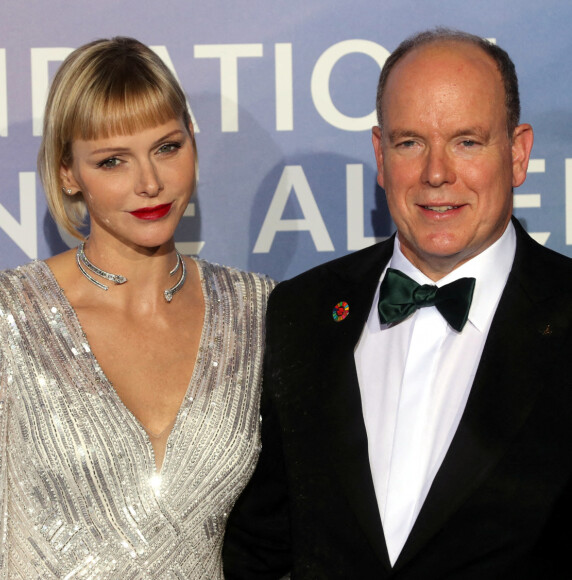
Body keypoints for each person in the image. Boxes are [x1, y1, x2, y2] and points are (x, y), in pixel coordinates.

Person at [223, 28, 572, 579]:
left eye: (467, 141)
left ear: (518, 152)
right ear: (380, 156)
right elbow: (259, 547)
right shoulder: (302, 312)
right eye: (410, 142)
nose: (436, 173)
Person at [0, 37, 274, 578]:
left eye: (167, 147)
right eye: (113, 160)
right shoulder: (8, 318)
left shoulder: (257, 313)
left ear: (192, 141)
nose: (150, 183)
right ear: (69, 172)